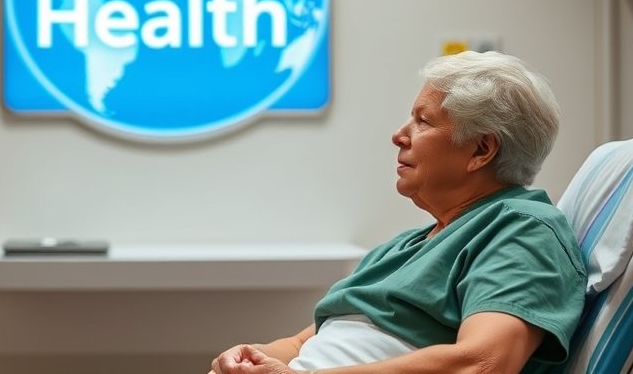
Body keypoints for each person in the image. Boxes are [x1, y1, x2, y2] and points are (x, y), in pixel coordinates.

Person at [210, 51, 587, 374]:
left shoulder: (520, 229)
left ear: (481, 150)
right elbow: (298, 344)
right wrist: (250, 358)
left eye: (423, 120)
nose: (399, 134)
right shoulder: (404, 248)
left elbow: (484, 363)